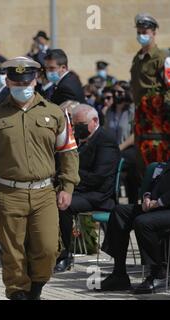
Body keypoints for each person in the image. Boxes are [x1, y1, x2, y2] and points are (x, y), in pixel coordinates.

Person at [0, 56, 80, 300]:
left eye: (26, 81)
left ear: (36, 80)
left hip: (44, 193)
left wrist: (67, 186)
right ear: (8, 82)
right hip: (7, 193)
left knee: (47, 249)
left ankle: (35, 291)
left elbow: (68, 151)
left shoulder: (55, 113)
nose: (22, 87)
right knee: (13, 253)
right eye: (16, 82)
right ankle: (18, 294)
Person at [55, 104, 120, 272]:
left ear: (95, 121)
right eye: (75, 125)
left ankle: (65, 255)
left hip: (98, 195)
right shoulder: (81, 139)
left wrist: (71, 176)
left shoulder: (106, 140)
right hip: (82, 189)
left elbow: (99, 176)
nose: (77, 128)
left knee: (63, 205)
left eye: (80, 124)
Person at [99, 160, 170, 294]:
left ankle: (159, 273)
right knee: (119, 212)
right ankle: (119, 274)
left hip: (164, 207)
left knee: (142, 222)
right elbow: (156, 180)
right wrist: (147, 197)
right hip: (157, 206)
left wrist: (159, 203)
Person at [131, 13, 170, 168]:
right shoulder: (137, 58)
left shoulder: (162, 57)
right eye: (139, 32)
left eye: (144, 32)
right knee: (141, 156)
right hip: (141, 115)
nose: (141, 36)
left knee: (158, 155)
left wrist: (164, 108)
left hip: (157, 116)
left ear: (153, 33)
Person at [104, 81, 139, 203]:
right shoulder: (109, 111)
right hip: (112, 150)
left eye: (120, 92)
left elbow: (135, 134)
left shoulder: (132, 110)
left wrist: (120, 147)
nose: (116, 94)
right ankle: (111, 202)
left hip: (128, 149)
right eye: (114, 92)